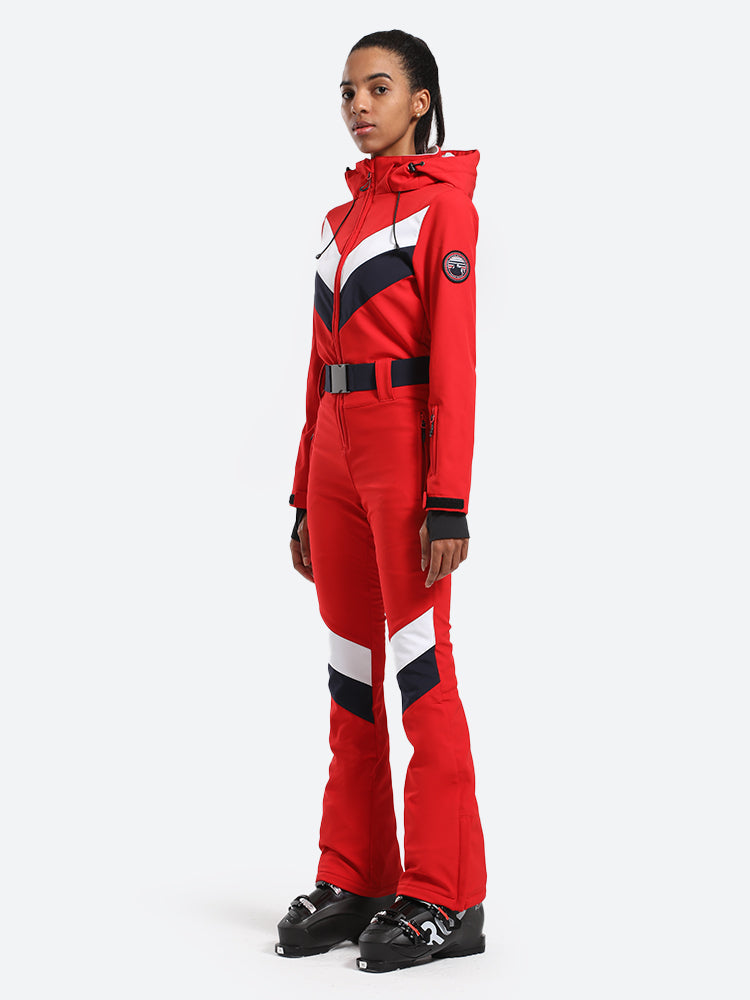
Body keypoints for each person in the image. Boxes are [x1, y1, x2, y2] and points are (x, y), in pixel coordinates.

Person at [276, 29, 487, 974]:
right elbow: (317, 364)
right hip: (334, 452)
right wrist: (302, 493)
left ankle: (447, 895)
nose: (359, 105)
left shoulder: (445, 211)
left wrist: (448, 501)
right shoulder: (340, 220)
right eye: (348, 91)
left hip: (403, 451)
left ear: (421, 102)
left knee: (420, 671)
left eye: (379, 88)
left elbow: (456, 362)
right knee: (350, 672)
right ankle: (357, 872)